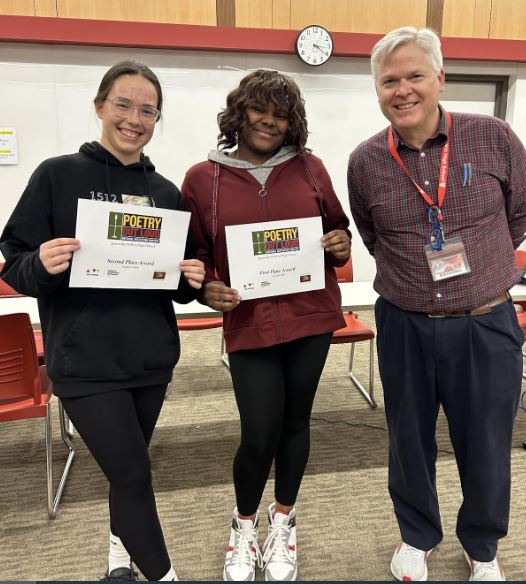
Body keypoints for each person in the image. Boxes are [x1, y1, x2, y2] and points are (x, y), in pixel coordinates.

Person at [0, 60, 205, 581]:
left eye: (148, 110)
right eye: (123, 104)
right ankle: (163, 575)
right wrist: (39, 263)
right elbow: (15, 262)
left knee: (125, 469)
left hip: (150, 358)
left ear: (157, 119)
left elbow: (177, 290)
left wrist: (191, 275)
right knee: (135, 474)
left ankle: (119, 558)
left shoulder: (164, 193)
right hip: (84, 361)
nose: (134, 118)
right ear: (99, 107)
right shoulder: (57, 175)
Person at [347, 27, 526, 582]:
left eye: (414, 76)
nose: (402, 90)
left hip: (485, 322)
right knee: (407, 439)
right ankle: (417, 537)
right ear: (377, 89)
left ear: (440, 79)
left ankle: (483, 546)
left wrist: (484, 269)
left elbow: (519, 217)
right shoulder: (366, 161)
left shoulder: (494, 138)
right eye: (389, 81)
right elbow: (371, 234)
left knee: (489, 440)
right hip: (404, 322)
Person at [182, 69, 351, 581]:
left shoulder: (310, 168)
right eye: (260, 111)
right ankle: (243, 524)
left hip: (311, 316)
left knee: (296, 423)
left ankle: (284, 522)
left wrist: (340, 243)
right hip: (250, 322)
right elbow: (196, 256)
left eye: (281, 115)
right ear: (239, 113)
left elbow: (336, 228)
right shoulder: (201, 178)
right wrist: (207, 287)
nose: (270, 122)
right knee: (259, 433)